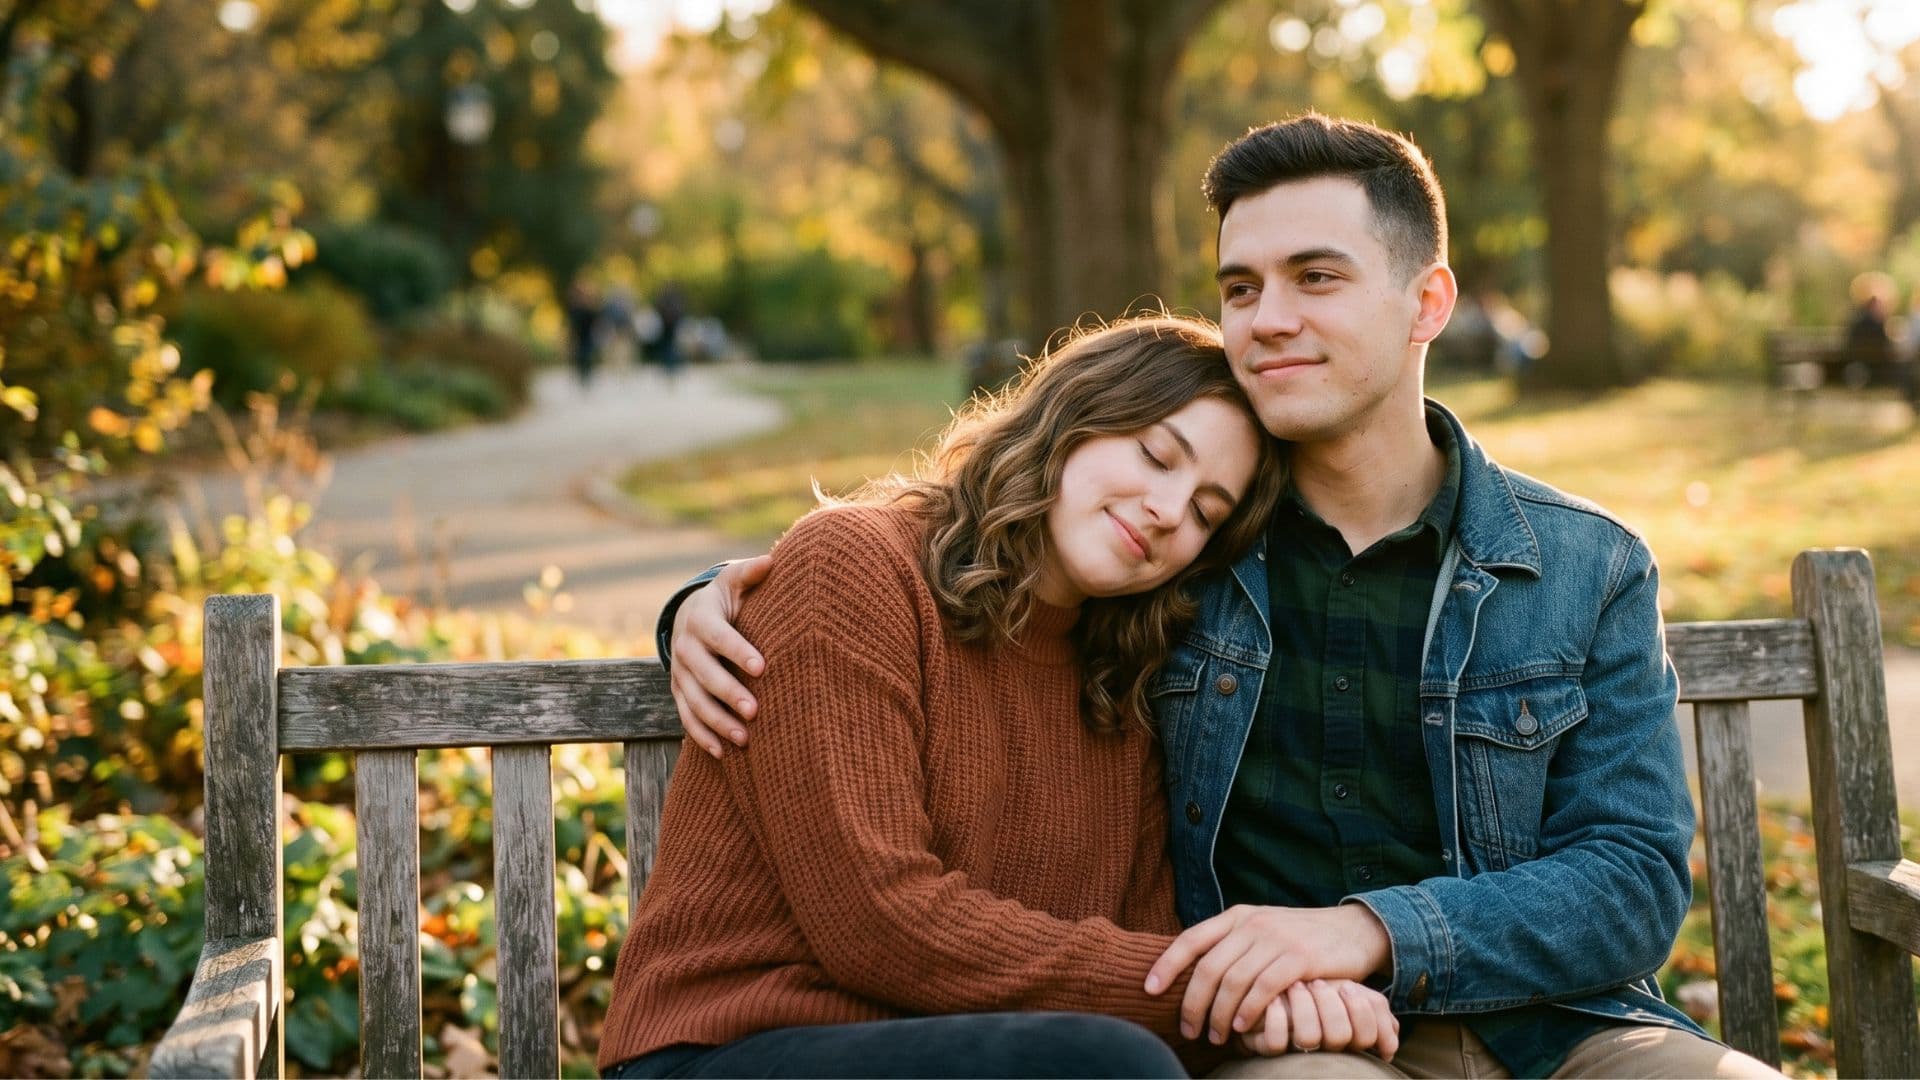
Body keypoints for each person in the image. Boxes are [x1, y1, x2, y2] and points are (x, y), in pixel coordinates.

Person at [659, 115, 1782, 1078]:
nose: (1268, 318)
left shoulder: (1583, 565)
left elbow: (1632, 880)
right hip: (1295, 1046)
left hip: (1566, 1035)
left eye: (1318, 277)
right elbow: (943, 561)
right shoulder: (1187, 571)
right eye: (1240, 288)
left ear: (1427, 300)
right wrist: (712, 601)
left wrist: (1363, 935)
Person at [598, 316, 1398, 1079]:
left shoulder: (1121, 687)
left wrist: (1278, 1004)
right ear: (1073, 417)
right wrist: (1231, 993)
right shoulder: (856, 569)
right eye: (1157, 456)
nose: (1165, 511)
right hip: (731, 1045)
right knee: (1103, 1069)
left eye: (1203, 512)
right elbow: (878, 926)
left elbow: (1137, 961)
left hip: (975, 1055)